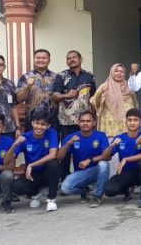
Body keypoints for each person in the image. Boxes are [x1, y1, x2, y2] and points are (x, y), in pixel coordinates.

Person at [52, 50, 96, 181]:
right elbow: (54, 96)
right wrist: (66, 95)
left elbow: (93, 98)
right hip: (67, 121)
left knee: (85, 150)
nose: (72, 59)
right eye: (69, 58)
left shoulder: (89, 76)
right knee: (66, 151)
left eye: (74, 57)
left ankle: (84, 180)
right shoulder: (61, 76)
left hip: (86, 122)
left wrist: (95, 118)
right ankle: (64, 178)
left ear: (80, 59)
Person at [9, 111, 61, 212]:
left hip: (46, 170)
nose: (39, 127)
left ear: (48, 126)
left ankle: (51, 199)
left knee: (53, 164)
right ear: (32, 123)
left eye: (43, 124)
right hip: (33, 174)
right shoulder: (25, 137)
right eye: (37, 123)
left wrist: (31, 165)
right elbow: (8, 159)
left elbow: (53, 155)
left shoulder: (51, 133)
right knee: (15, 187)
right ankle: (35, 194)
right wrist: (14, 145)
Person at [58, 111, 111, 208]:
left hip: (96, 170)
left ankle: (97, 196)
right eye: (82, 121)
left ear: (94, 123)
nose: (85, 123)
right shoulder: (71, 137)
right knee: (65, 188)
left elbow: (107, 157)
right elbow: (59, 157)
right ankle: (85, 191)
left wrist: (90, 160)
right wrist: (69, 143)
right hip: (81, 173)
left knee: (104, 164)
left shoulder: (101, 135)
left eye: (88, 121)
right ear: (78, 123)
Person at [103, 108, 141, 208]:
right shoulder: (120, 138)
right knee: (109, 190)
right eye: (130, 120)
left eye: (135, 120)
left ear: (140, 123)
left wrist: (126, 159)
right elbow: (106, 157)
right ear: (126, 122)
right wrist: (112, 146)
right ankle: (127, 190)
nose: (132, 123)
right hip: (126, 172)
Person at [17, 49, 58, 134]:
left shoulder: (56, 77)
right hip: (32, 120)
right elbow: (19, 99)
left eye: (44, 58)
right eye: (38, 58)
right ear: (34, 59)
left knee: (52, 144)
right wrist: (28, 86)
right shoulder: (25, 77)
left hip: (53, 120)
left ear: (49, 60)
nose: (41, 60)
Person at [91, 63, 138, 137]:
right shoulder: (105, 86)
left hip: (126, 126)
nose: (119, 73)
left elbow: (135, 106)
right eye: (116, 71)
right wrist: (100, 94)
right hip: (110, 126)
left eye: (122, 72)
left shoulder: (129, 87)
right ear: (112, 72)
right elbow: (94, 102)